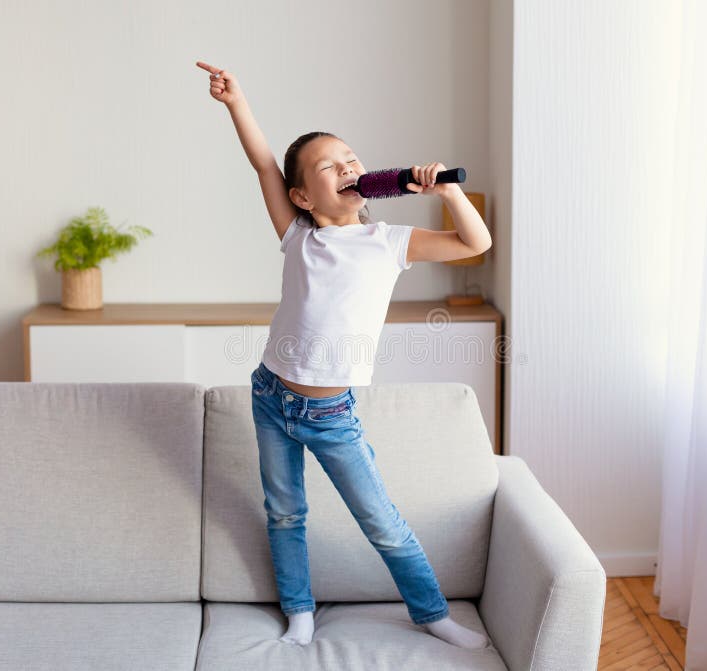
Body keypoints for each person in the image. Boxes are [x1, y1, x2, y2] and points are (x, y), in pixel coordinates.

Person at [196, 60, 492, 649]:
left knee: (380, 521)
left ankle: (431, 612)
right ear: (302, 194)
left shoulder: (389, 242)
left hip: (332, 415)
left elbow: (474, 243)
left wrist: (447, 189)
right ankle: (299, 611)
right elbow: (262, 163)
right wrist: (237, 104)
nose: (348, 167)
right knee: (284, 514)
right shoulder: (297, 234)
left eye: (352, 159)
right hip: (270, 396)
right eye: (329, 166)